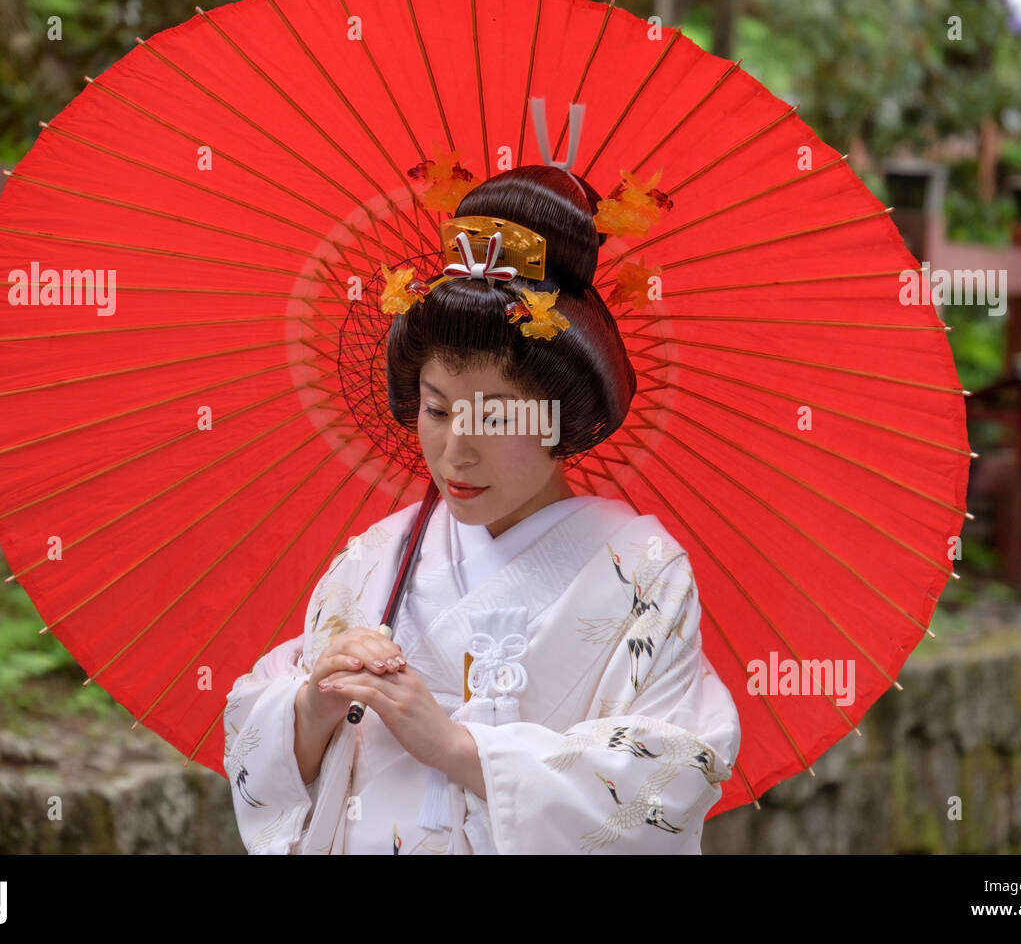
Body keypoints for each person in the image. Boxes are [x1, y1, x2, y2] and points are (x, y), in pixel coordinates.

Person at [222, 163, 741, 854]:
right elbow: (259, 745)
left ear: (562, 418)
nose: (456, 450)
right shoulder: (375, 561)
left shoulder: (642, 575)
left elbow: (669, 775)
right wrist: (311, 708)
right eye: (436, 409)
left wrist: (459, 748)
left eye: (495, 414)